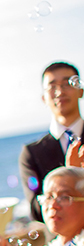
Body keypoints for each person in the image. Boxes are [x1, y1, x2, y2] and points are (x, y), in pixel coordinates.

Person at [20, 62, 83, 223]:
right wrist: (71, 173)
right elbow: (36, 209)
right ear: (43, 98)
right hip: (60, 244)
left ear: (80, 90)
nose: (60, 92)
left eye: (67, 84)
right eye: (52, 86)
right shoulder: (32, 153)